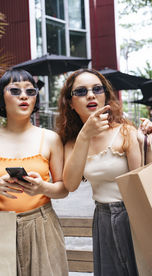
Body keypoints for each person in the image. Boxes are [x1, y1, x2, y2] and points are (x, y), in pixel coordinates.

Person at [0, 69, 69, 276]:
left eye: (30, 92)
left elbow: (63, 188)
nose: (24, 96)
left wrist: (42, 187)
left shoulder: (50, 138)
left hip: (42, 225)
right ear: (1, 98)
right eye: (15, 90)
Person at [56, 68, 141, 276]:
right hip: (102, 217)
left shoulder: (125, 131)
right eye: (81, 91)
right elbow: (71, 184)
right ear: (70, 103)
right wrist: (85, 136)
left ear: (106, 96)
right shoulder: (71, 143)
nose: (91, 95)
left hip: (132, 214)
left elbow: (140, 184)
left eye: (97, 89)